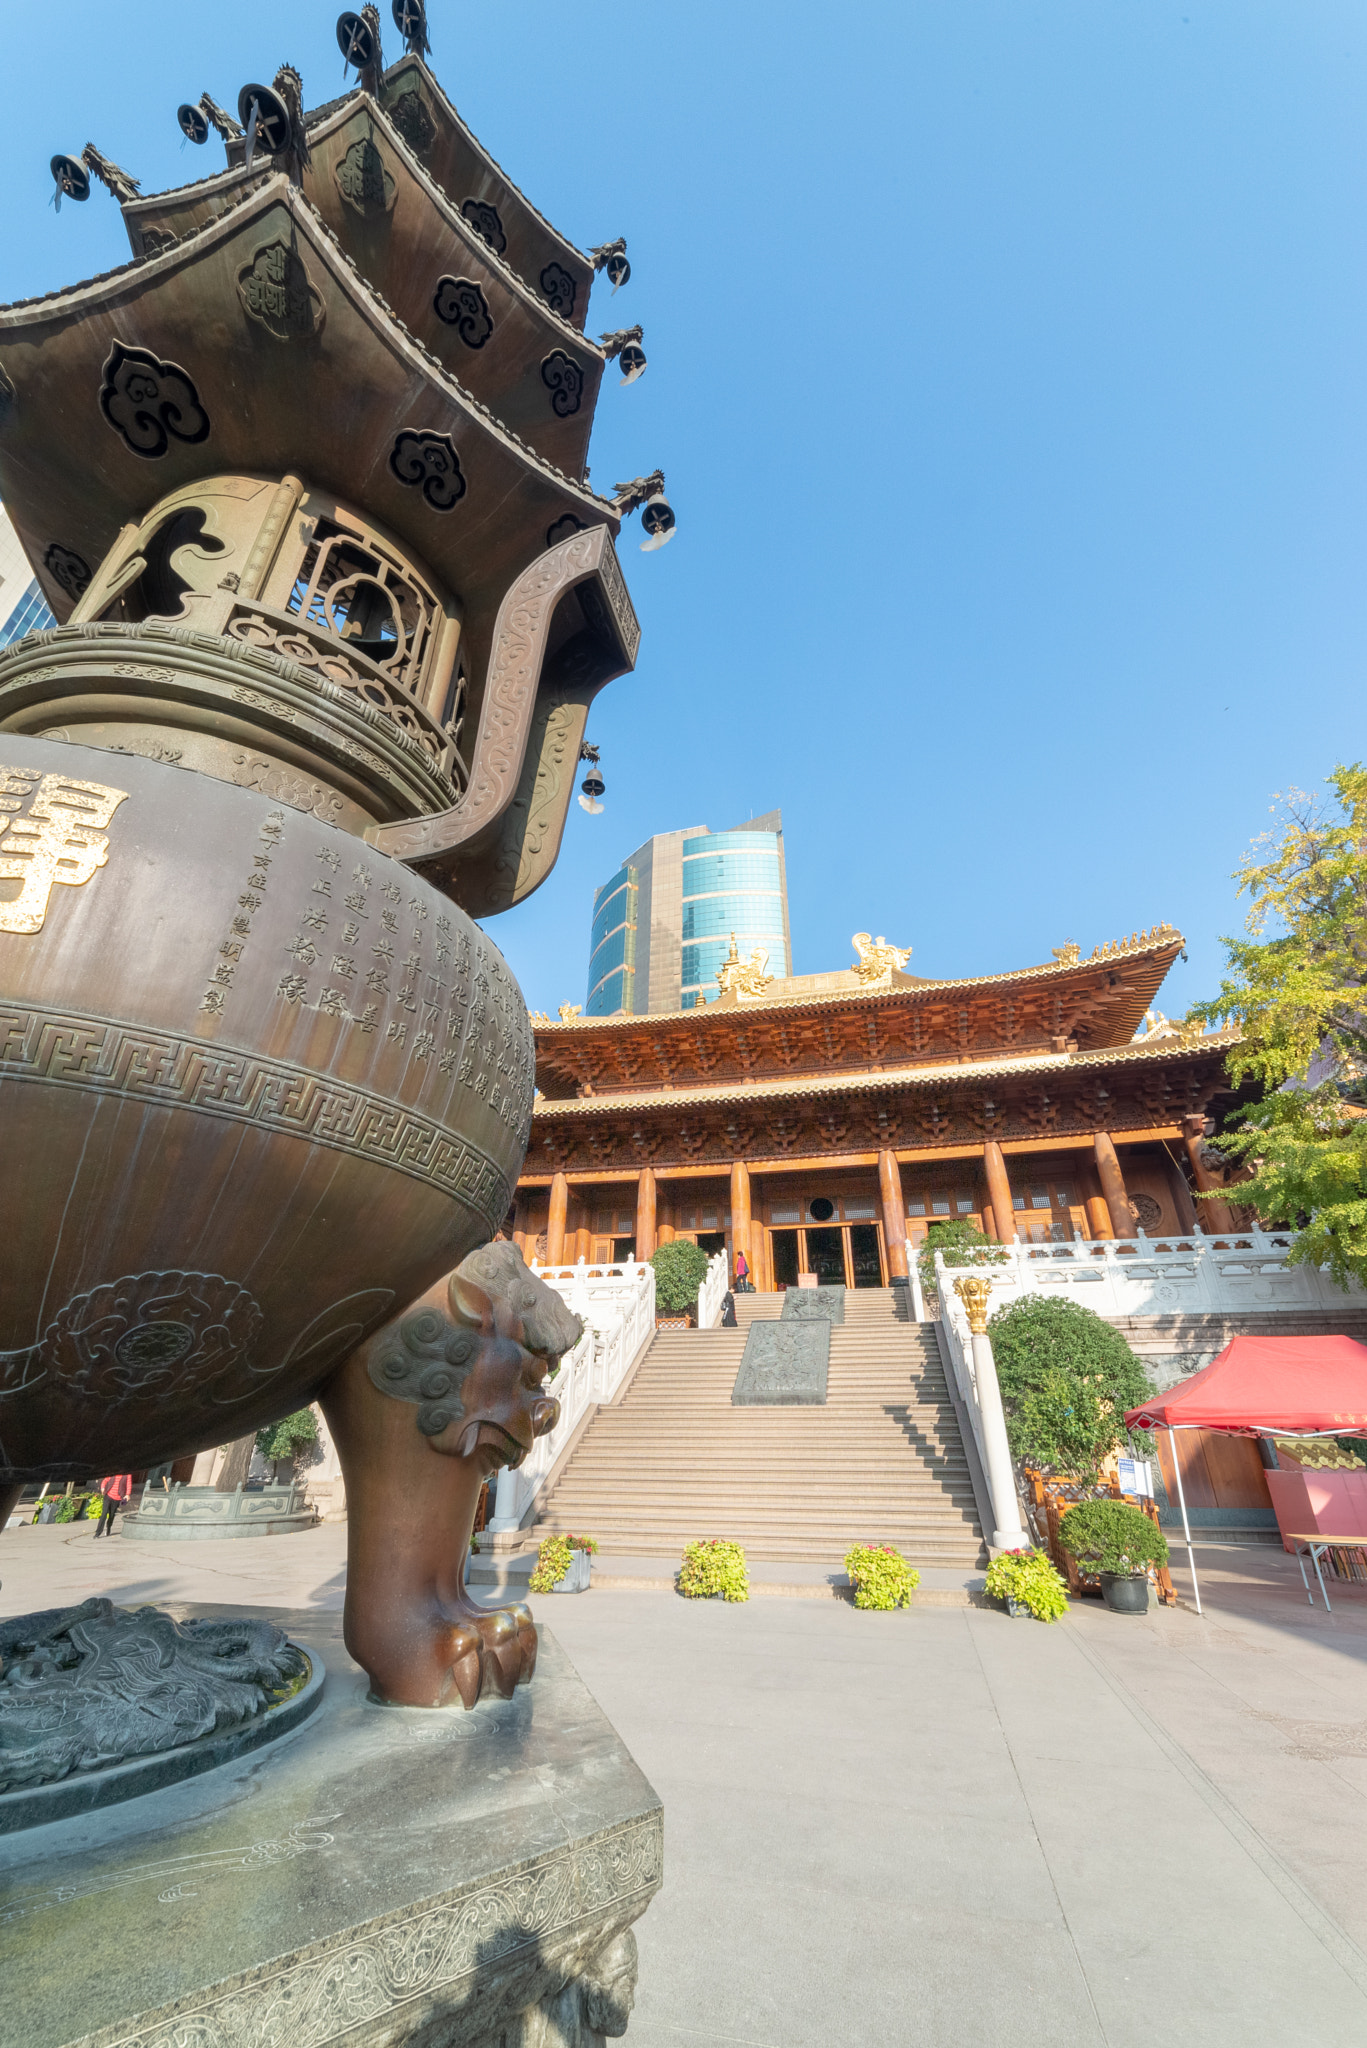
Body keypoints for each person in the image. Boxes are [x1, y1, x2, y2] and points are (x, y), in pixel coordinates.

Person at [94, 1472, 132, 1537]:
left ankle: (108, 1527)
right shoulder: (113, 1472)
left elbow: (129, 1485)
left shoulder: (127, 1475)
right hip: (108, 1496)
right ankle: (98, 1532)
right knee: (104, 1513)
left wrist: (127, 1494)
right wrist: (102, 1487)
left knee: (111, 1515)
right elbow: (105, 1480)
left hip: (117, 1498)